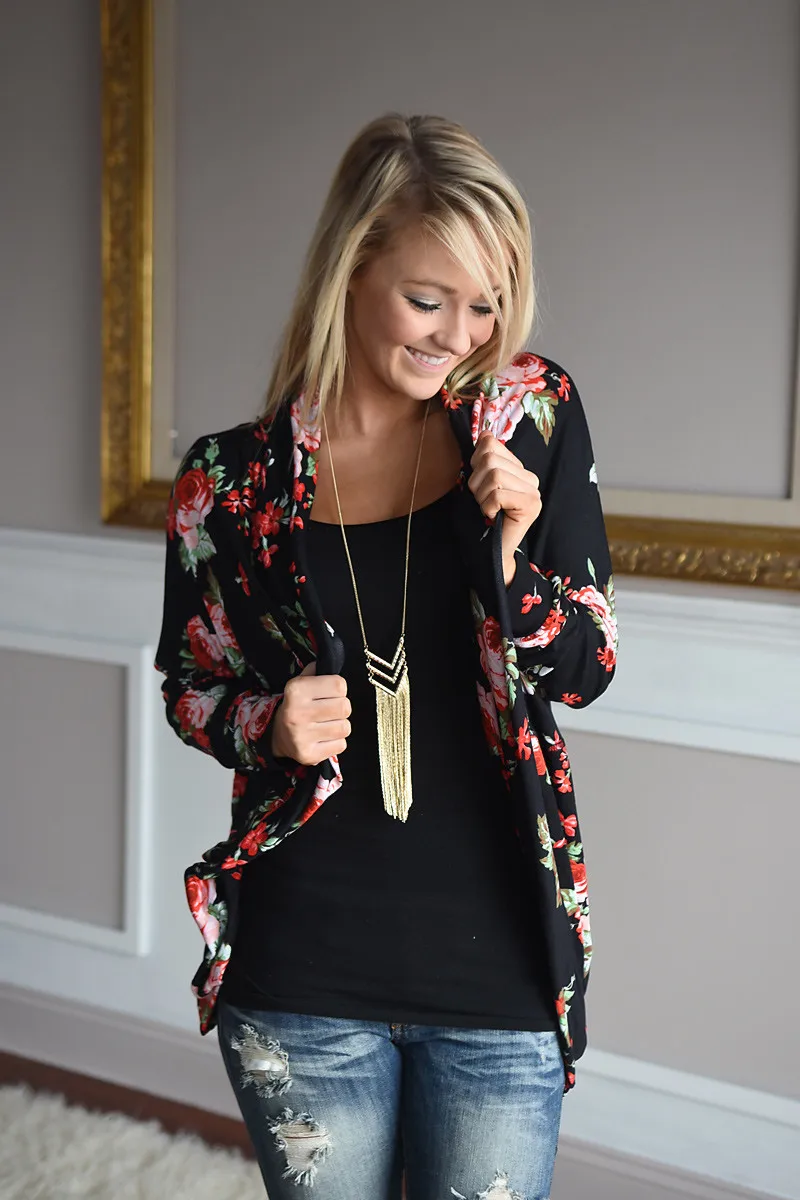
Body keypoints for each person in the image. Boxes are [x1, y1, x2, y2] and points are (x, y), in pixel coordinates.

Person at [154, 111, 618, 1200]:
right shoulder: (230, 482)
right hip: (301, 971)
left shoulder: (527, 417)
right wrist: (266, 722)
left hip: (499, 973)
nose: (459, 334)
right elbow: (190, 686)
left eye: (486, 304)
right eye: (427, 298)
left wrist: (511, 558)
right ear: (353, 266)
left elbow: (588, 667)